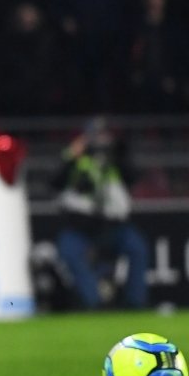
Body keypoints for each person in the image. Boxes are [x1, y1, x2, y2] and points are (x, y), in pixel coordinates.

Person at [51, 118, 148, 310]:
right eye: (96, 135)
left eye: (104, 135)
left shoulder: (115, 159)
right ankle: (93, 302)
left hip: (113, 227)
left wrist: (118, 154)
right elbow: (54, 182)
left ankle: (136, 303)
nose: (100, 141)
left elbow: (133, 177)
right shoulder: (77, 159)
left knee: (137, 247)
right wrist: (72, 156)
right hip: (80, 226)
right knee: (68, 250)